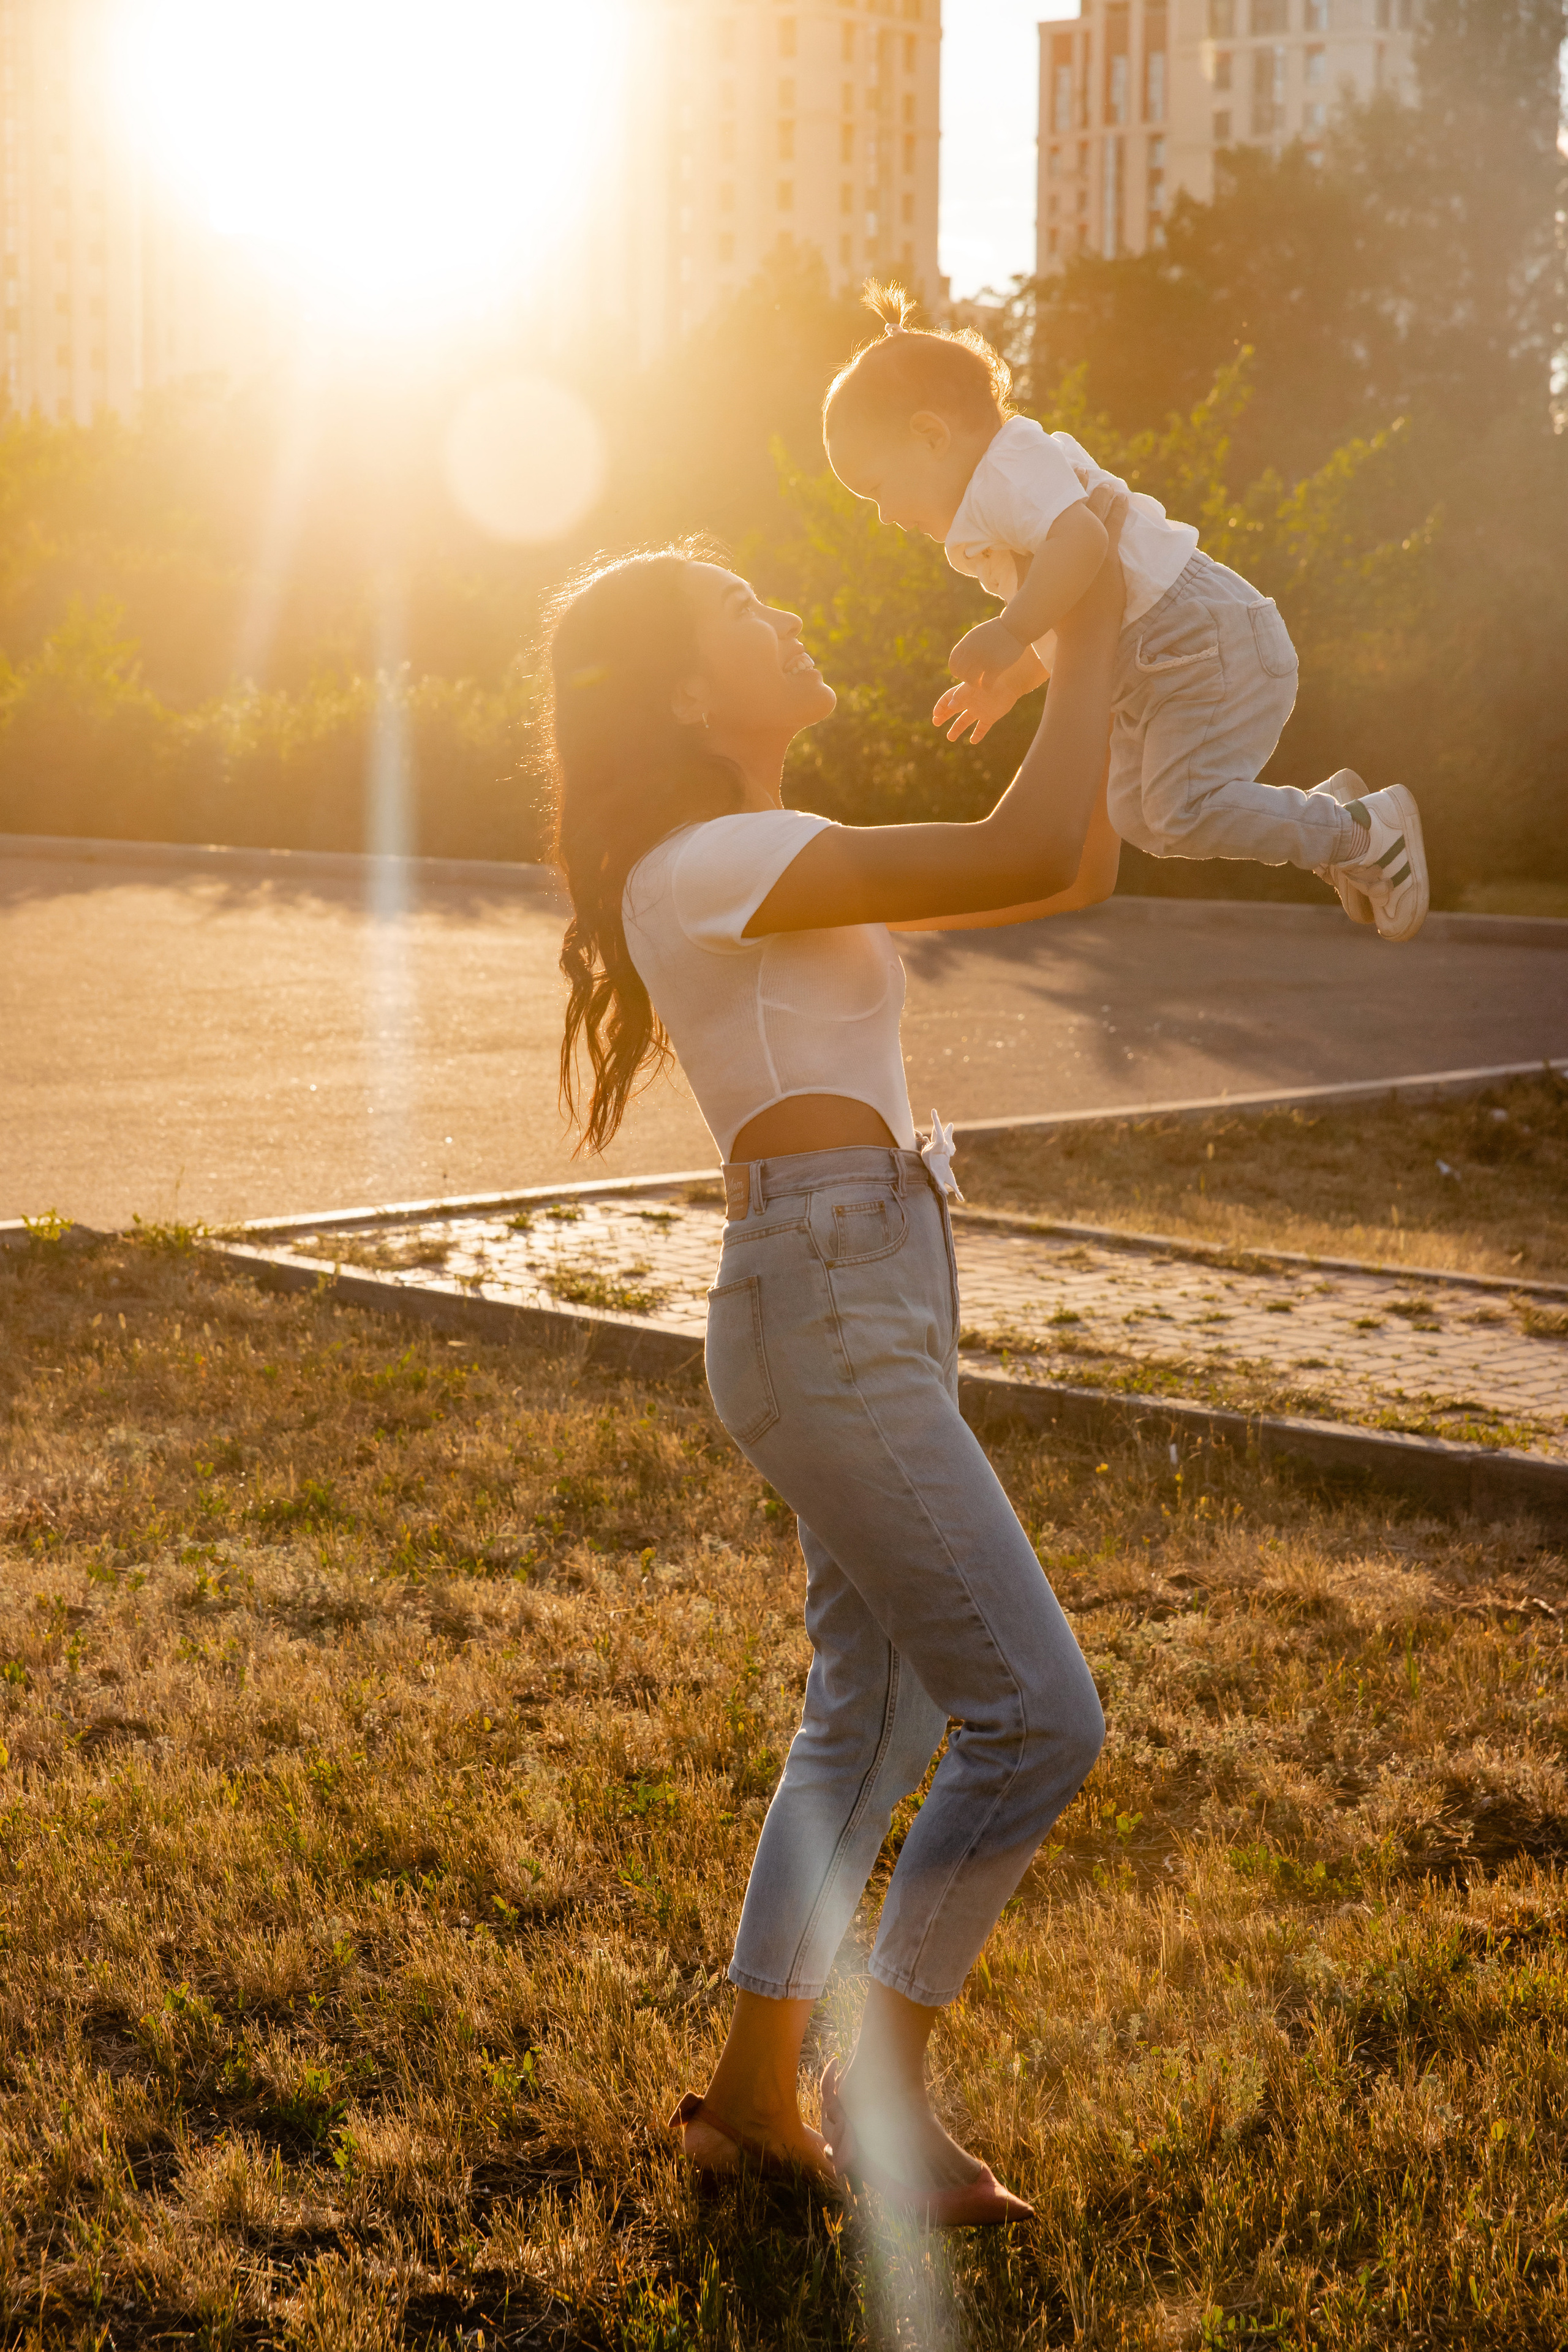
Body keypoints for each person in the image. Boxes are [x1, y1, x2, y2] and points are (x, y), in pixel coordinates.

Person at [541, 497, 1125, 2228]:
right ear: (671, 696)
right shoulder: (708, 864)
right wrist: (1075, 625)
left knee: (872, 1723)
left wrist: (1075, 645)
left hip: (863, 1280)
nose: (779, 603)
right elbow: (1026, 852)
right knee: (1039, 1713)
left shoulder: (753, 845)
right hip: (827, 1287)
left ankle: (746, 2104)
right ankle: (879, 2082)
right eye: (738, 593)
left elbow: (1072, 862)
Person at [822, 282, 1428, 945]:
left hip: (1199, 638)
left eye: (876, 489)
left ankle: (1361, 834)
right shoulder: (1001, 496)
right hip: (1174, 656)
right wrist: (1012, 681)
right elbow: (1071, 617)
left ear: (929, 435)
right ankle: (1336, 822)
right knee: (1144, 818)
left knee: (1175, 815)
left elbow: (1084, 544)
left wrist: (1008, 628)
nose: (882, 515)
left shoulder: (1007, 473)